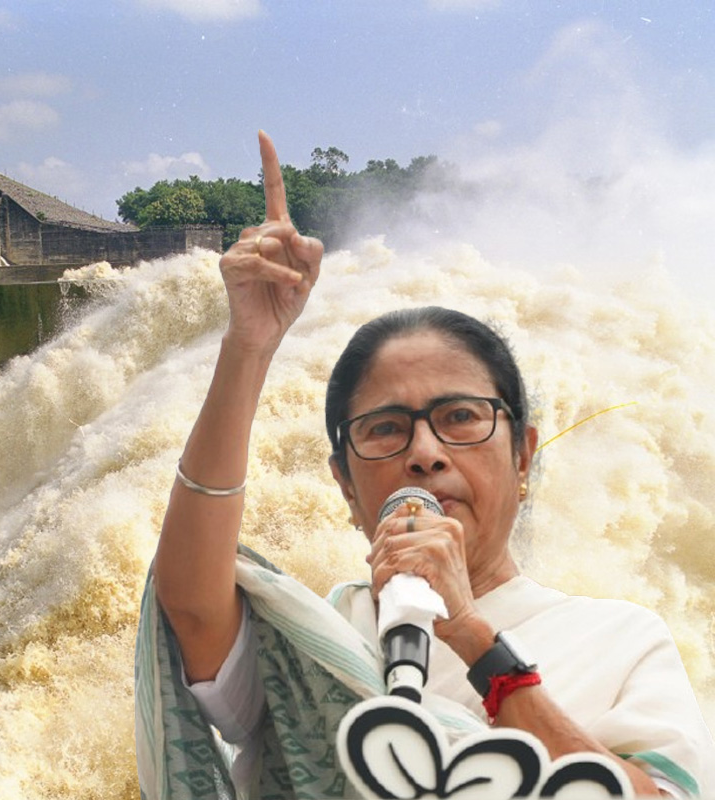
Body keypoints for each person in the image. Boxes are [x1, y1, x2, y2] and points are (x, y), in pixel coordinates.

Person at [142, 131, 714, 798]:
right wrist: (248, 347)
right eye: (385, 429)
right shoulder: (319, 638)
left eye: (461, 418)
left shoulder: (619, 640)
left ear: (524, 457)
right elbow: (190, 607)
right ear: (346, 488)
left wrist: (474, 640)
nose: (424, 453)